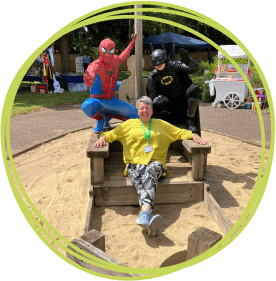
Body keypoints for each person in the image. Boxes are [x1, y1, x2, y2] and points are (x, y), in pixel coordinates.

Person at [93, 96, 206, 236]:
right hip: (134, 164)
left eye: (147, 108)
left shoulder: (161, 124)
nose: (144, 111)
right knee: (141, 181)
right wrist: (103, 138)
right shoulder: (129, 124)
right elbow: (112, 134)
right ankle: (146, 218)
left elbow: (179, 132)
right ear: (137, 111)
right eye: (141, 108)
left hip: (156, 163)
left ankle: (145, 213)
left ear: (152, 111)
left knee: (150, 172)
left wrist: (193, 135)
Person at [82, 35, 139, 133]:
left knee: (136, 116)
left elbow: (124, 55)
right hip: (98, 100)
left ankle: (106, 116)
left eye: (111, 51)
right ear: (100, 50)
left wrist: (132, 43)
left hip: (111, 100)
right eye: (105, 51)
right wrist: (90, 78)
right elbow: (91, 70)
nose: (108, 54)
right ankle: (101, 119)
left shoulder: (115, 61)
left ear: (114, 50)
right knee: (87, 105)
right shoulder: (96, 65)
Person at [147, 48, 200, 133]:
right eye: (155, 61)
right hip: (169, 105)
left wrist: (188, 61)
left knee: (194, 89)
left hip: (183, 101)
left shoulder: (176, 66)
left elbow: (195, 69)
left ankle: (190, 121)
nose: (158, 64)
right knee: (157, 101)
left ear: (165, 59)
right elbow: (151, 99)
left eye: (160, 60)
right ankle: (160, 125)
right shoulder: (153, 76)